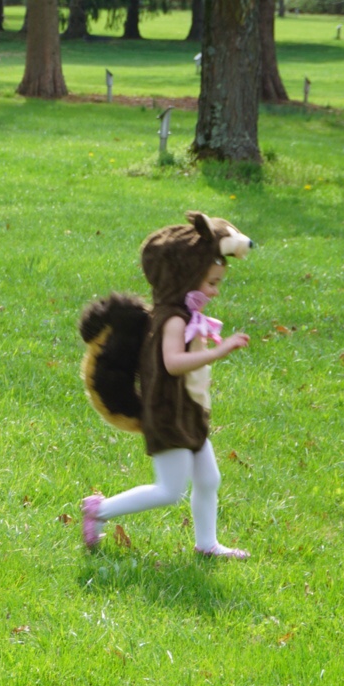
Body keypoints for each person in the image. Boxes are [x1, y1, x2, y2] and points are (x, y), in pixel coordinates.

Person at [78, 213, 255, 558]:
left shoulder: (183, 314)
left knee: (209, 479)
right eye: (211, 282)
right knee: (169, 491)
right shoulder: (172, 320)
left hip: (187, 411)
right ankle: (98, 510)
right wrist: (219, 350)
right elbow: (173, 363)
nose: (215, 291)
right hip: (167, 414)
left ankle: (207, 544)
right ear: (185, 276)